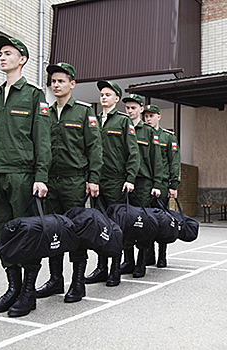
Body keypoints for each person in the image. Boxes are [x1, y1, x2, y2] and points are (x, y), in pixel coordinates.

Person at [0, 36, 51, 317]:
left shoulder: (33, 95)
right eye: (0, 54)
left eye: (8, 53)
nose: (2, 57)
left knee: (27, 234)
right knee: (1, 235)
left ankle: (28, 292)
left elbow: (42, 140)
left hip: (23, 176)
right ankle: (13, 288)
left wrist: (40, 177)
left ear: (23, 59)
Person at [35, 62, 102, 303]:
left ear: (72, 84)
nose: (56, 85)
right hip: (51, 181)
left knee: (75, 231)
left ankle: (77, 281)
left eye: (61, 81)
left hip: (75, 181)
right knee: (53, 231)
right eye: (53, 81)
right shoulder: (46, 112)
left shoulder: (84, 112)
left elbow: (95, 148)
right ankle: (55, 280)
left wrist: (93, 178)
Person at [84, 81, 140, 287]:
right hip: (96, 181)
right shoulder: (92, 120)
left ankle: (115, 268)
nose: (104, 97)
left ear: (116, 99)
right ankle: (101, 267)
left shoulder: (124, 121)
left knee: (116, 226)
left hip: (116, 181)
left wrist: (130, 178)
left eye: (108, 94)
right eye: (102, 94)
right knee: (99, 225)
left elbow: (133, 153)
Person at [120, 94, 162, 278]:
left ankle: (141, 261)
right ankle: (128, 260)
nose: (130, 111)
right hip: (124, 182)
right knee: (125, 222)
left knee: (142, 223)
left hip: (143, 183)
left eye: (133, 108)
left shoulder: (149, 132)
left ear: (141, 109)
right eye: (127, 108)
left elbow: (157, 160)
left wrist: (157, 183)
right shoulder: (121, 126)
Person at [143, 104, 181, 268]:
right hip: (145, 185)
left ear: (159, 116)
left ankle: (162, 255)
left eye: (151, 116)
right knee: (147, 221)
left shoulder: (168, 137)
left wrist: (174, 184)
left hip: (163, 185)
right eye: (146, 116)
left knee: (162, 221)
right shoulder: (142, 134)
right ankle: (149, 255)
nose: (148, 119)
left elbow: (174, 162)